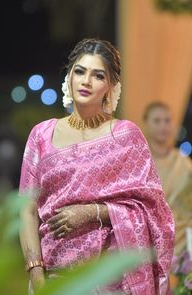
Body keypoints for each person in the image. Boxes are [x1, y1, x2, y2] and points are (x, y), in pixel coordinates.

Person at [19, 38, 174, 295]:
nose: (86, 81)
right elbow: (26, 210)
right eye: (79, 71)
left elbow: (153, 209)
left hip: (113, 279)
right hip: (55, 276)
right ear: (69, 76)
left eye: (98, 75)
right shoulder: (42, 135)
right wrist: (37, 275)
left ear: (110, 86)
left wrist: (93, 212)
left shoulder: (126, 136)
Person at [143, 102, 192, 256]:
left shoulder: (183, 162)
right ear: (145, 124)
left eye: (167, 120)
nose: (163, 126)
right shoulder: (140, 163)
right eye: (157, 121)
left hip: (182, 244)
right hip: (147, 244)